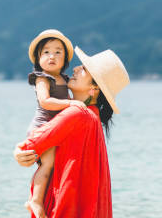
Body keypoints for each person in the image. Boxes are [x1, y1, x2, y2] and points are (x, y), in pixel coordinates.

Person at [14, 47, 130, 218]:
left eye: (84, 69)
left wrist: (17, 151)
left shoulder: (77, 114)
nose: (75, 68)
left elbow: (30, 147)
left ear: (94, 89)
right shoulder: (93, 117)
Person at [24, 29, 87, 218]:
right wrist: (70, 103)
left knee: (52, 167)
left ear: (65, 60)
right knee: (47, 165)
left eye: (58, 52)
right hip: (42, 126)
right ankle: (34, 201)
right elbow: (45, 102)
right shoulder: (43, 78)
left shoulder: (65, 79)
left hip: (56, 128)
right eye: (46, 52)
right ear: (38, 58)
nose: (52, 56)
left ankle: (44, 199)